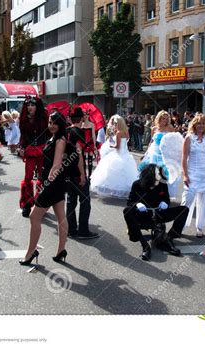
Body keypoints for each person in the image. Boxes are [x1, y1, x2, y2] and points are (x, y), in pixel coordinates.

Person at [20, 112, 69, 266]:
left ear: (60, 124)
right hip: (55, 182)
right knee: (61, 216)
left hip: (52, 183)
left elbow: (56, 164)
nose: (51, 125)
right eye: (49, 122)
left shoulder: (60, 140)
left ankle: (31, 252)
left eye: (54, 122)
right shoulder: (53, 138)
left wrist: (46, 184)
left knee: (34, 217)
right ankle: (61, 250)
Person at [123, 164, 189, 261]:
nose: (161, 176)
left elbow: (166, 199)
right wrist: (137, 204)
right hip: (143, 215)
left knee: (184, 210)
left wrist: (165, 203)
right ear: (151, 175)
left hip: (159, 214)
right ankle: (145, 246)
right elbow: (130, 201)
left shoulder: (162, 185)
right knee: (127, 211)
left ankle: (169, 238)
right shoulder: (137, 184)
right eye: (158, 174)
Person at [181, 114, 205, 238]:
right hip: (192, 173)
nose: (201, 126)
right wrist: (185, 175)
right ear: (194, 125)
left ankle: (200, 227)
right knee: (187, 199)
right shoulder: (189, 138)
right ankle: (179, 226)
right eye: (198, 123)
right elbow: (184, 157)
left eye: (203, 123)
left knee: (204, 202)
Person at [66, 107, 99, 239]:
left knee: (70, 201)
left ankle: (71, 229)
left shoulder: (66, 131)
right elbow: (79, 154)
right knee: (85, 201)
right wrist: (82, 174)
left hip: (66, 171)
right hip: (76, 171)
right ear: (81, 118)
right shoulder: (78, 132)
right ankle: (83, 230)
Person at [90, 115, 138, 198]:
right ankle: (125, 189)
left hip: (118, 153)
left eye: (115, 123)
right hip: (125, 154)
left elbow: (117, 146)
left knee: (112, 172)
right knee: (126, 174)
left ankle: (114, 190)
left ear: (119, 123)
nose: (114, 125)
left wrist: (111, 146)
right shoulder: (126, 131)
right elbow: (127, 141)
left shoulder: (119, 133)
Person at [18, 96, 49, 217]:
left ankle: (39, 203)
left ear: (37, 107)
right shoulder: (24, 119)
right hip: (30, 150)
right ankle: (27, 204)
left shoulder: (44, 118)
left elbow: (49, 132)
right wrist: (21, 147)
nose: (30, 107)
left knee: (42, 177)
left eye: (33, 105)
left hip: (43, 150)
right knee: (28, 177)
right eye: (28, 105)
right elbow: (23, 136)